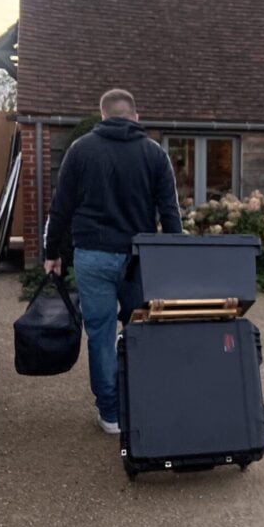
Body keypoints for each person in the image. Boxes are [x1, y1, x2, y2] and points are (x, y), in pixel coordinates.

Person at [43, 88, 183, 434]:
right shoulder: (155, 153)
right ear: (136, 117)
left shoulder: (81, 150)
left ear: (103, 116)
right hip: (140, 259)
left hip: (93, 256)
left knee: (101, 335)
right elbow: (170, 212)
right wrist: (175, 258)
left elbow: (61, 208)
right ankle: (141, 402)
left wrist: (52, 253)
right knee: (141, 331)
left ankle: (110, 413)